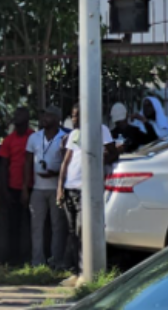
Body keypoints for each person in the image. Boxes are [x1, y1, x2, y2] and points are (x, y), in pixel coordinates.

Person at [57, 105, 118, 285]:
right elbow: (66, 161)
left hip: (87, 189)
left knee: (83, 230)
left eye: (76, 116)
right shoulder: (74, 135)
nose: (73, 120)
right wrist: (60, 187)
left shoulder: (101, 129)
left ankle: (87, 273)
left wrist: (96, 161)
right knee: (72, 233)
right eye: (73, 116)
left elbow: (112, 151)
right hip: (70, 188)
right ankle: (75, 272)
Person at [24, 106, 69, 269]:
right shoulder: (34, 138)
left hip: (56, 188)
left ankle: (56, 261)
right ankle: (37, 262)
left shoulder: (65, 137)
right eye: (43, 115)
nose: (44, 118)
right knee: (36, 226)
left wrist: (54, 173)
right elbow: (28, 162)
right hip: (37, 188)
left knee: (57, 226)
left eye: (48, 115)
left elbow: (67, 163)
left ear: (57, 119)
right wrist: (25, 187)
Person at [0, 106, 33, 266]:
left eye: (21, 118)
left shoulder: (33, 136)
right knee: (14, 225)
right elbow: (3, 166)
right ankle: (13, 259)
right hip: (13, 188)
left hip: (33, 186)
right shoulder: (9, 140)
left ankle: (32, 257)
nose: (17, 121)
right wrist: (4, 190)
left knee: (34, 225)